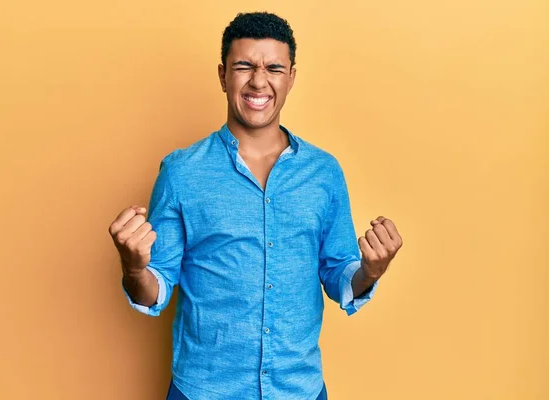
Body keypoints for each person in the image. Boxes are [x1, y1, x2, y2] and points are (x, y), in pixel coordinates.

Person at [108, 11, 403, 400]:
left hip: (299, 389)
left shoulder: (324, 173)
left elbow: (339, 277)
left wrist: (370, 270)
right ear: (222, 75)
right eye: (244, 66)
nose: (258, 80)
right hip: (203, 391)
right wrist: (133, 267)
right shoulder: (181, 173)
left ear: (291, 77)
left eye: (274, 68)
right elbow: (154, 290)